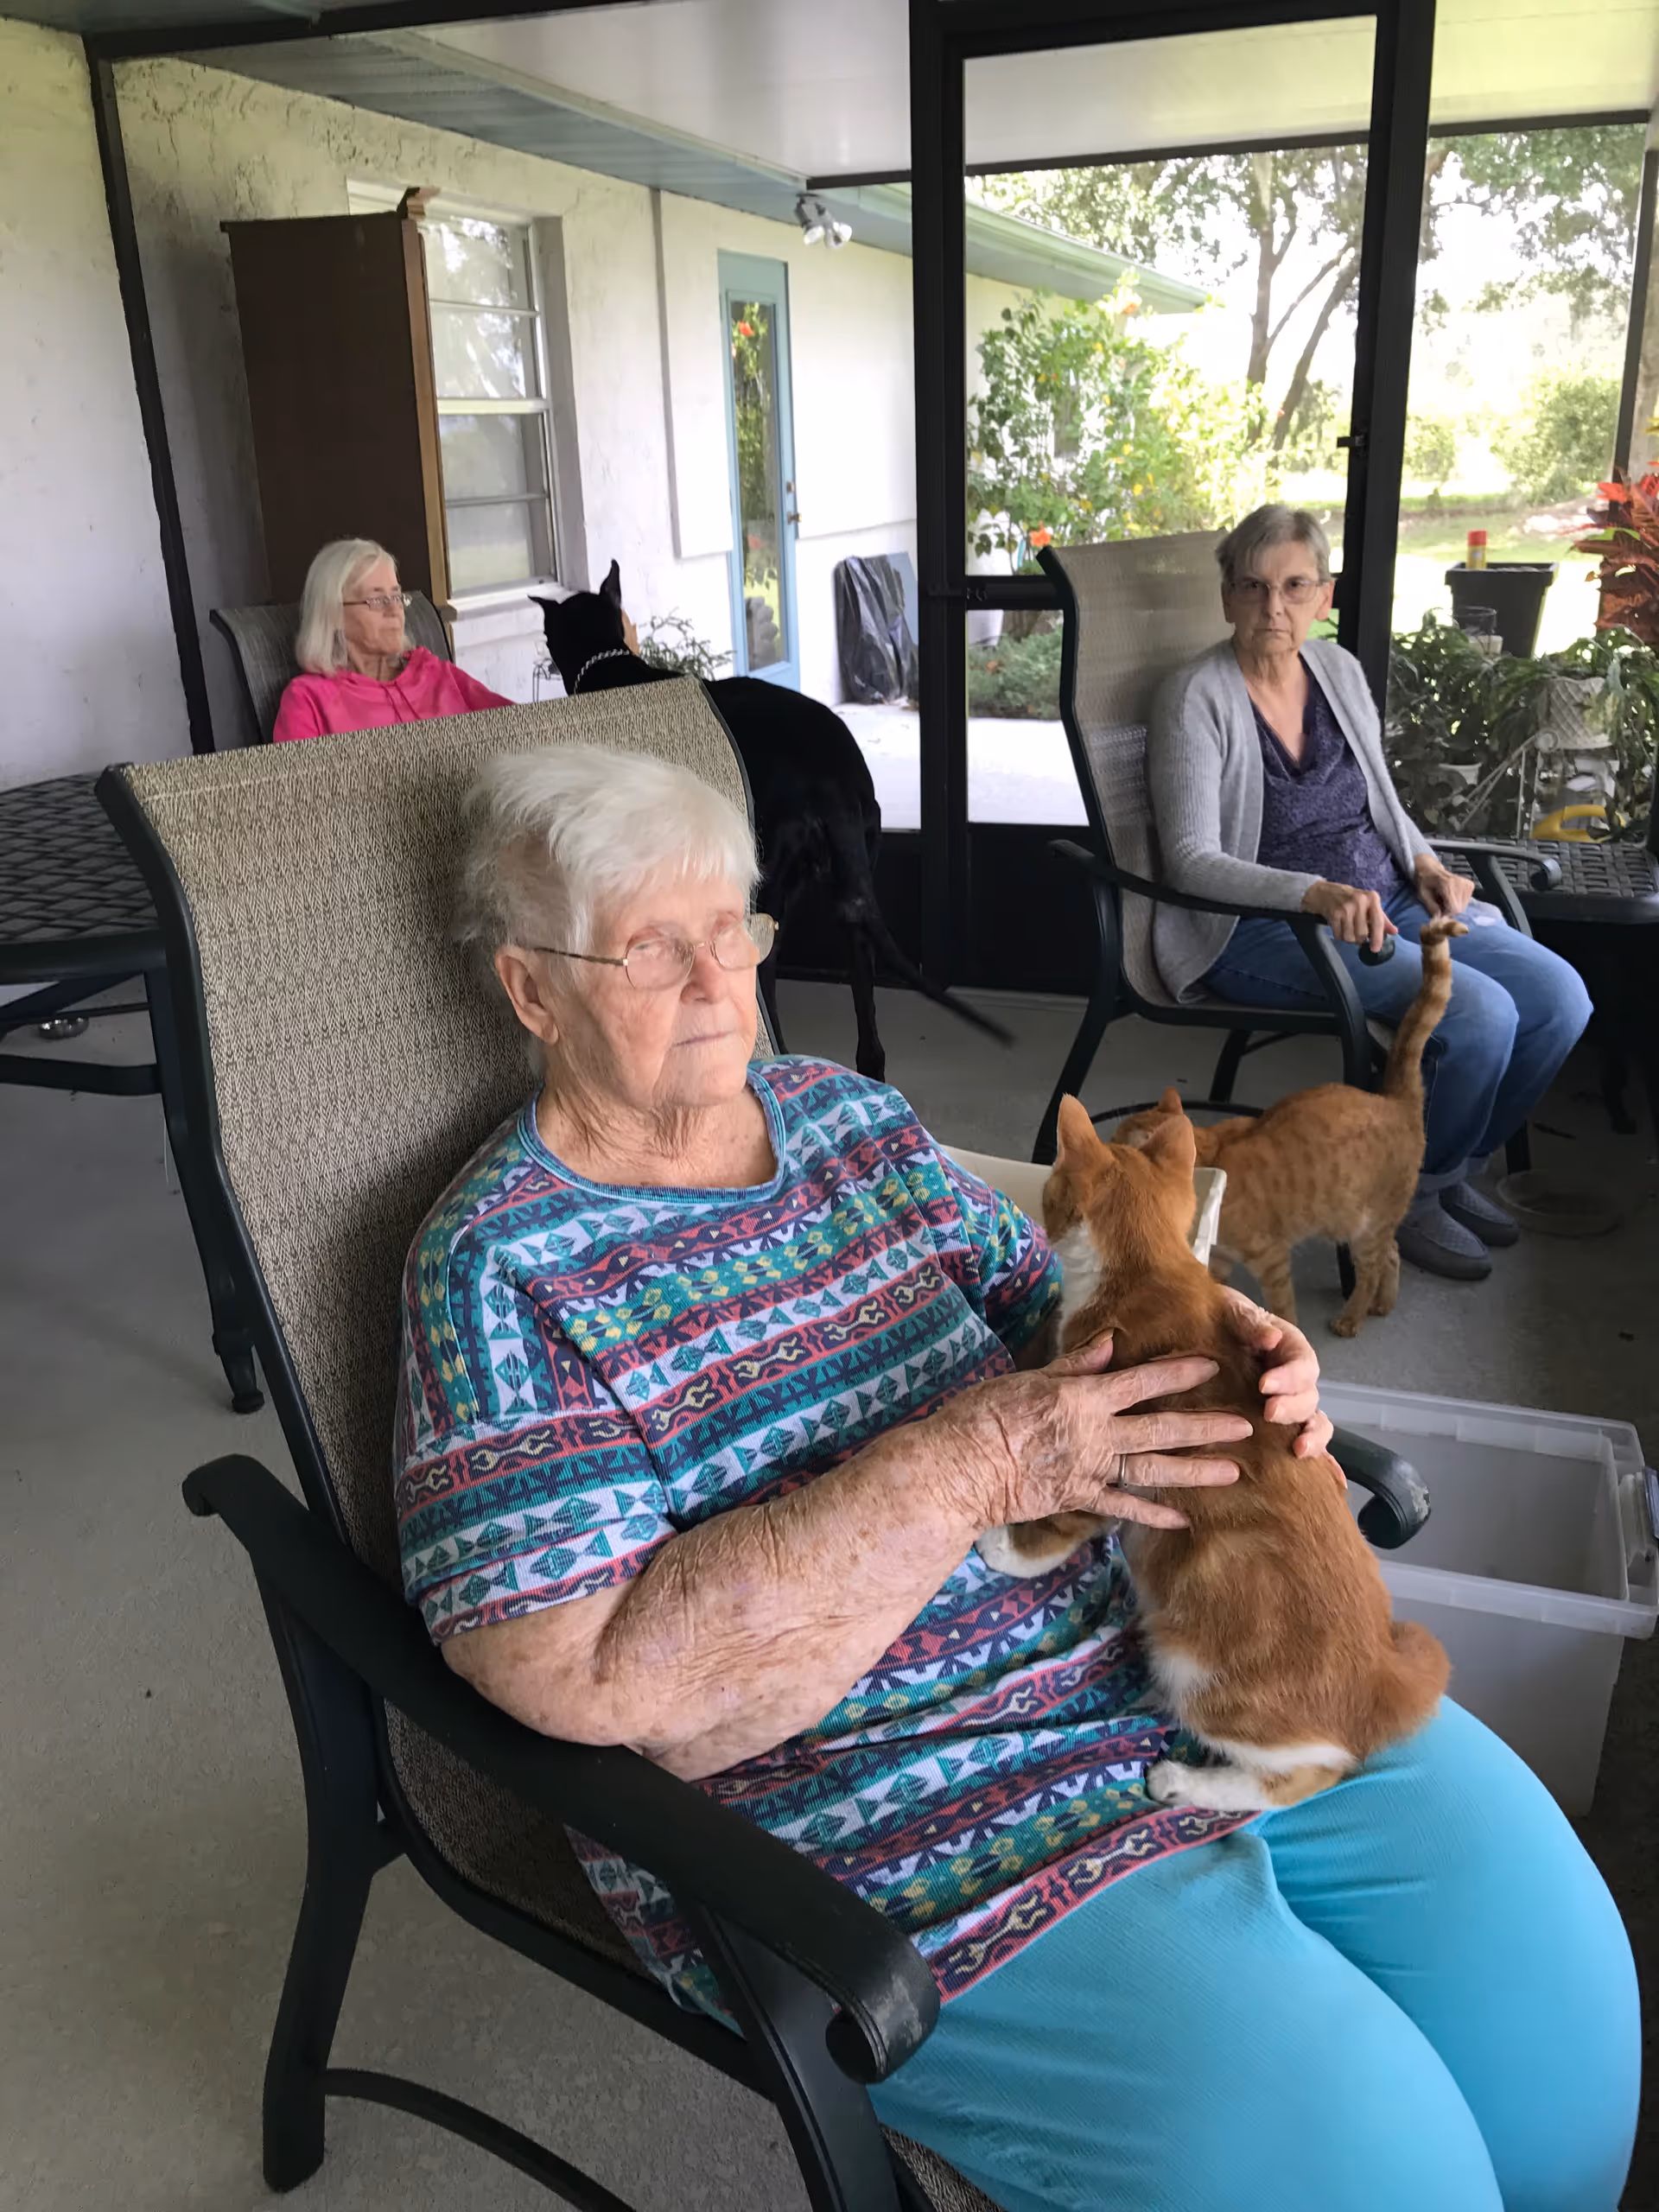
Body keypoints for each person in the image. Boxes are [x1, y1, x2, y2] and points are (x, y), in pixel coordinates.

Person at [393, 743, 1636, 2212]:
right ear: (530, 987)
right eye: (653, 950)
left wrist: (1221, 1337)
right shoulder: (495, 1270)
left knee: (1558, 2000)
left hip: (1181, 1653)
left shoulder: (844, 1119)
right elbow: (575, 1677)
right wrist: (983, 1459)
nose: (719, 982)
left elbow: (1046, 1310)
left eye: (733, 929)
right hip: (896, 1821)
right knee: (1387, 2171)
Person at [1148, 504, 1592, 1281]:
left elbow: (1379, 799)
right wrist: (1315, 893)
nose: (1272, 607)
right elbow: (1189, 860)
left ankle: (1445, 1172)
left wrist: (1424, 860)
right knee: (1480, 1014)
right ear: (1226, 597)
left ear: (1323, 596)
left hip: (1387, 898)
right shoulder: (1195, 698)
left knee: (1560, 997)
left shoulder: (1338, 672)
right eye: (1251, 587)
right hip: (1263, 926)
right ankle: (1409, 1202)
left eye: (1294, 586)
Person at [271, 537, 509, 743]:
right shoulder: (308, 700)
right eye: (377, 600)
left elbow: (522, 729)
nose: (395, 610)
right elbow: (299, 791)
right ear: (333, 614)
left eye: (396, 596)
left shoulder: (435, 672)